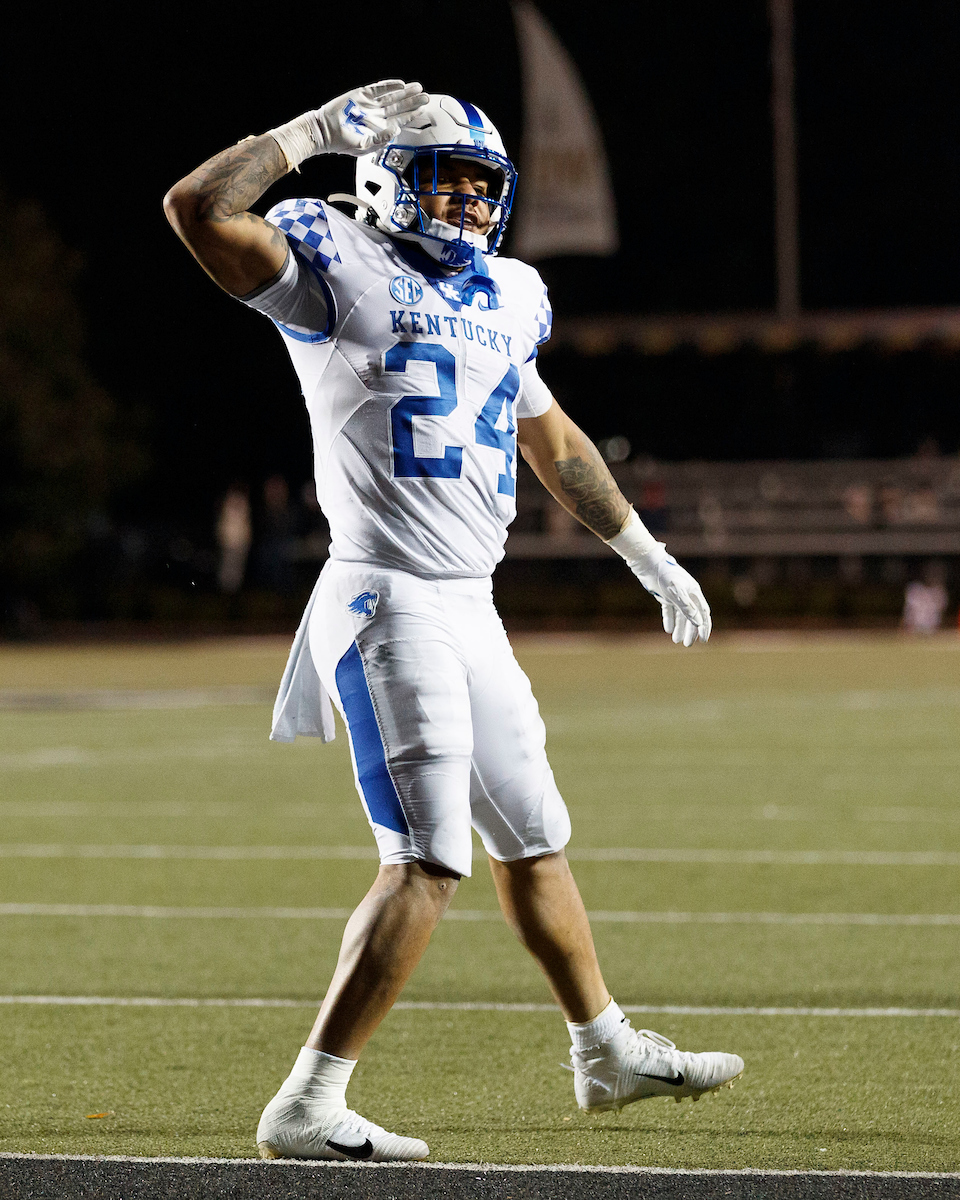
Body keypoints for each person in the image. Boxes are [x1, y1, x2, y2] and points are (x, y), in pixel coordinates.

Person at [163, 80, 743, 1164]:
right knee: (428, 857)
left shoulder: (511, 292)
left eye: (485, 186)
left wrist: (644, 552)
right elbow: (197, 209)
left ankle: (604, 1048)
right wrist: (313, 135)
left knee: (535, 834)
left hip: (470, 602)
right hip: (384, 596)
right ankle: (308, 1101)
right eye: (449, 180)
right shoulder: (331, 261)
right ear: (384, 181)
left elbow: (551, 435)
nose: (472, 204)